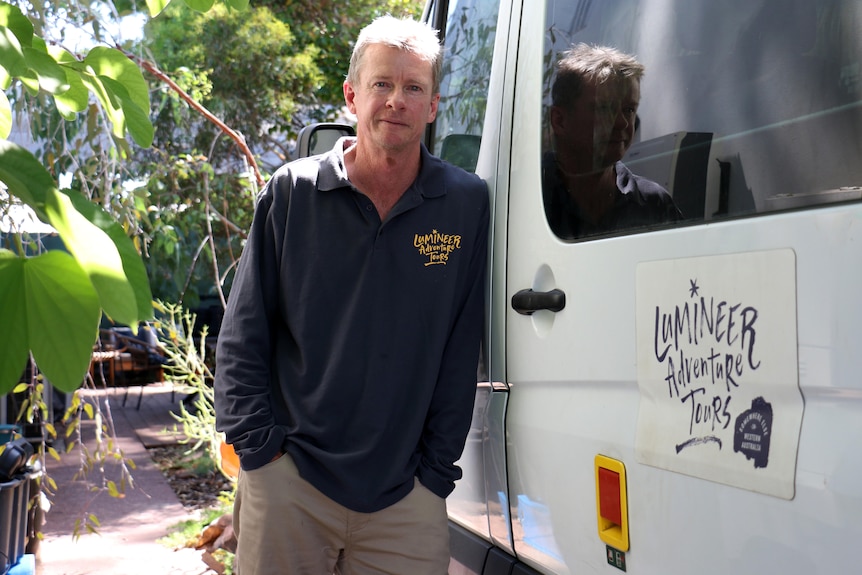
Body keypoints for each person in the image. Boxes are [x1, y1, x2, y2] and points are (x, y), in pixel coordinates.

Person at [213, 15, 489, 575]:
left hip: (405, 498)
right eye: (382, 83)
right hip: (292, 482)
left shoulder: (465, 204)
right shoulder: (291, 193)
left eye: (414, 87)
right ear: (352, 94)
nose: (396, 100)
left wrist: (435, 475)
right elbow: (243, 338)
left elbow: (461, 349)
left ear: (433, 106)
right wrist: (261, 456)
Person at [543, 43, 682, 239]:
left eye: (629, 109)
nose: (622, 122)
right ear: (559, 120)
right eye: (605, 108)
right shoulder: (526, 197)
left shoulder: (655, 204)